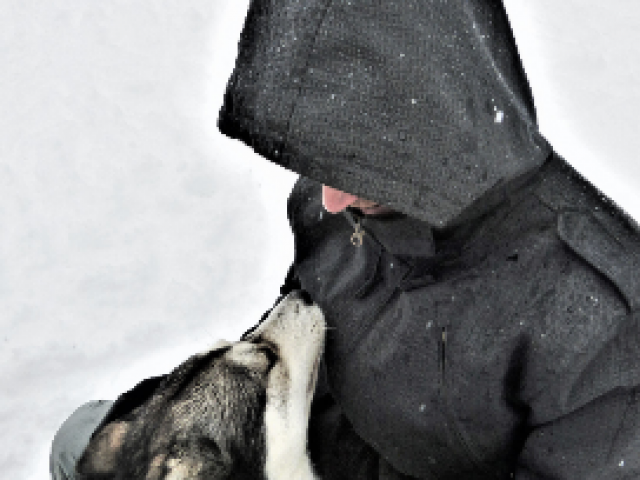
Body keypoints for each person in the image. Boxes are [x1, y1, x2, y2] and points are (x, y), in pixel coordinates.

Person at [52, 1, 640, 478]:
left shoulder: (600, 324)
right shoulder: (353, 183)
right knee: (80, 444)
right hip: (308, 431)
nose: (325, 197)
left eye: (353, 166)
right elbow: (299, 308)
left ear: (428, 127)